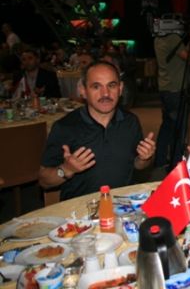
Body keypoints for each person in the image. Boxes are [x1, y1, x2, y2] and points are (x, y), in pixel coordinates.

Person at [38, 61, 156, 200]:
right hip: (82, 209)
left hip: (123, 205)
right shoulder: (65, 127)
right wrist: (66, 169)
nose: (105, 93)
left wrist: (144, 159)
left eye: (111, 85)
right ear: (83, 91)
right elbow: (44, 181)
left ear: (120, 88)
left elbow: (137, 165)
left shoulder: (130, 122)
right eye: (96, 86)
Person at [154, 33, 190, 168]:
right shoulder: (173, 38)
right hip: (176, 89)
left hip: (165, 88)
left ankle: (160, 159)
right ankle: (176, 163)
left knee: (167, 125)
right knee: (179, 129)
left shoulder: (158, 39)